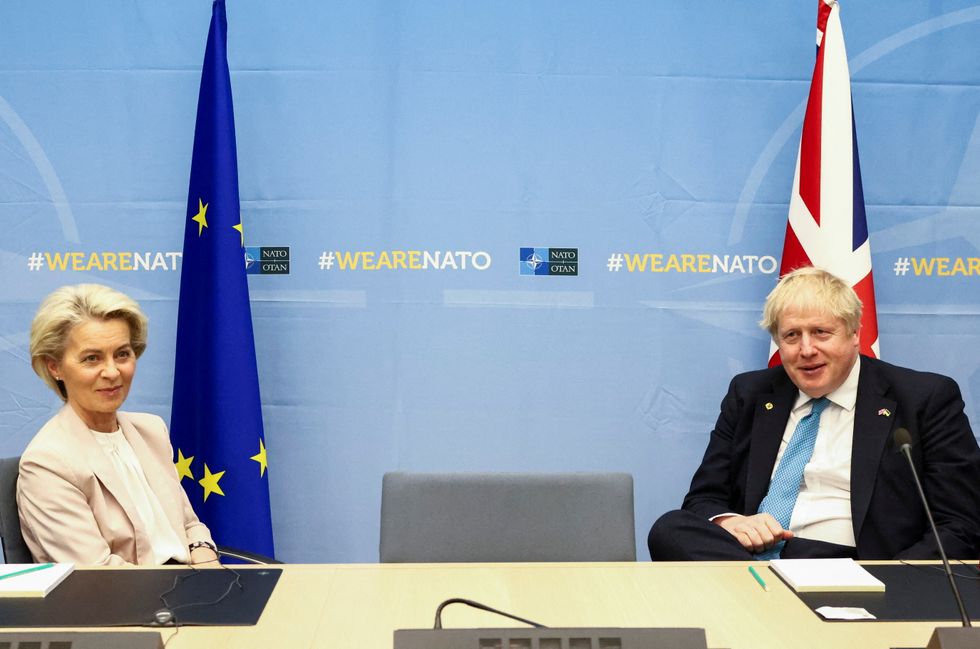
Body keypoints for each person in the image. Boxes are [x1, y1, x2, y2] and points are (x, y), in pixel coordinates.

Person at [648, 266, 980, 561]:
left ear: (853, 334)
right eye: (792, 335)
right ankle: (767, 594)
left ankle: (766, 603)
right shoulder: (750, 393)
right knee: (670, 528)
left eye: (821, 332)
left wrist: (892, 580)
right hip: (750, 558)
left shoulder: (923, 398)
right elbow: (704, 499)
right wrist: (731, 522)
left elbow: (960, 524)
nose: (807, 350)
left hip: (856, 565)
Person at [18, 283, 219, 566]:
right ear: (55, 367)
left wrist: (207, 562)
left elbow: (188, 524)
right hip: (127, 605)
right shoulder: (47, 463)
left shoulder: (151, 431)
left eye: (122, 354)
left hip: (192, 588)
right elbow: (100, 574)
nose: (112, 372)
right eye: (92, 358)